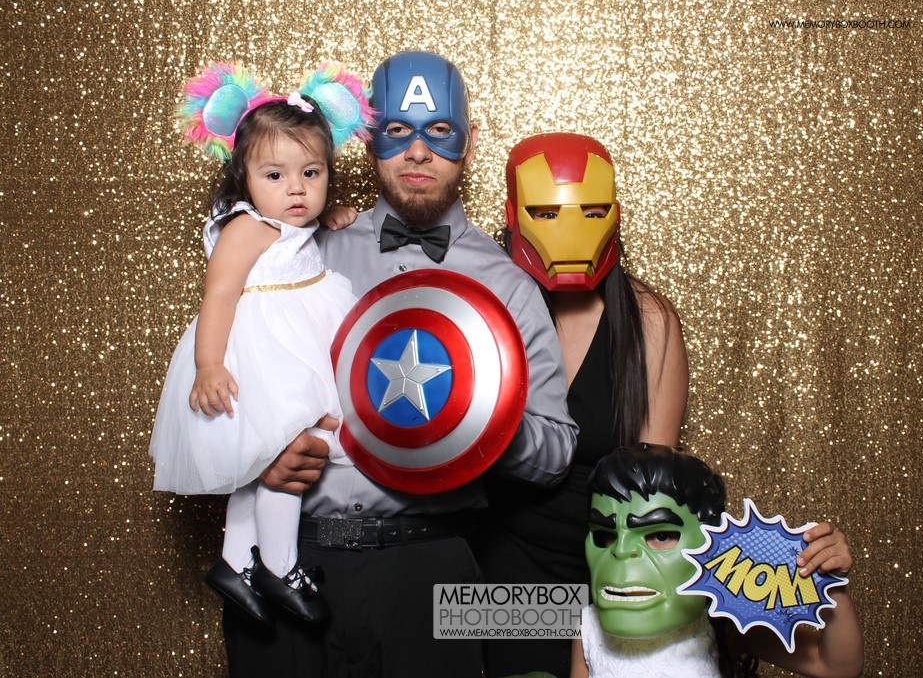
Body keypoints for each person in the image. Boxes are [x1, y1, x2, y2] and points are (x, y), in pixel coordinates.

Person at [222, 51, 577, 678]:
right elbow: (224, 378)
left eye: (439, 131)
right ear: (369, 142)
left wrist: (479, 417)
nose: (417, 152)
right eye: (397, 130)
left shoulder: (509, 283)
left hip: (432, 570)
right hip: (290, 562)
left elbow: (556, 454)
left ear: (469, 143)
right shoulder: (300, 249)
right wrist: (260, 454)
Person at [149, 63, 373, 625]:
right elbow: (219, 294)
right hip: (263, 353)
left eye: (311, 173)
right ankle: (280, 565)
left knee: (265, 462)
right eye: (275, 175)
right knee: (290, 449)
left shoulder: (293, 222)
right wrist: (208, 365)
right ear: (244, 178)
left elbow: (304, 226)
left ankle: (235, 562)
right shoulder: (247, 227)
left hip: (297, 342)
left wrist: (330, 215)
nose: (296, 188)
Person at [471, 132, 689, 677]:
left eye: (591, 212)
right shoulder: (479, 304)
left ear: (614, 215)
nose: (569, 229)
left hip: (611, 574)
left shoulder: (648, 321)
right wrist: (339, 226)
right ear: (514, 216)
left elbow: (652, 492)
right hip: (494, 580)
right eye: (546, 212)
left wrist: (606, 615)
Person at [572, 445, 864, 678]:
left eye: (660, 535)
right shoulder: (588, 625)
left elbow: (837, 667)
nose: (622, 551)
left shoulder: (725, 621)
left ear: (712, 541)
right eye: (605, 536)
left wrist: (828, 580)